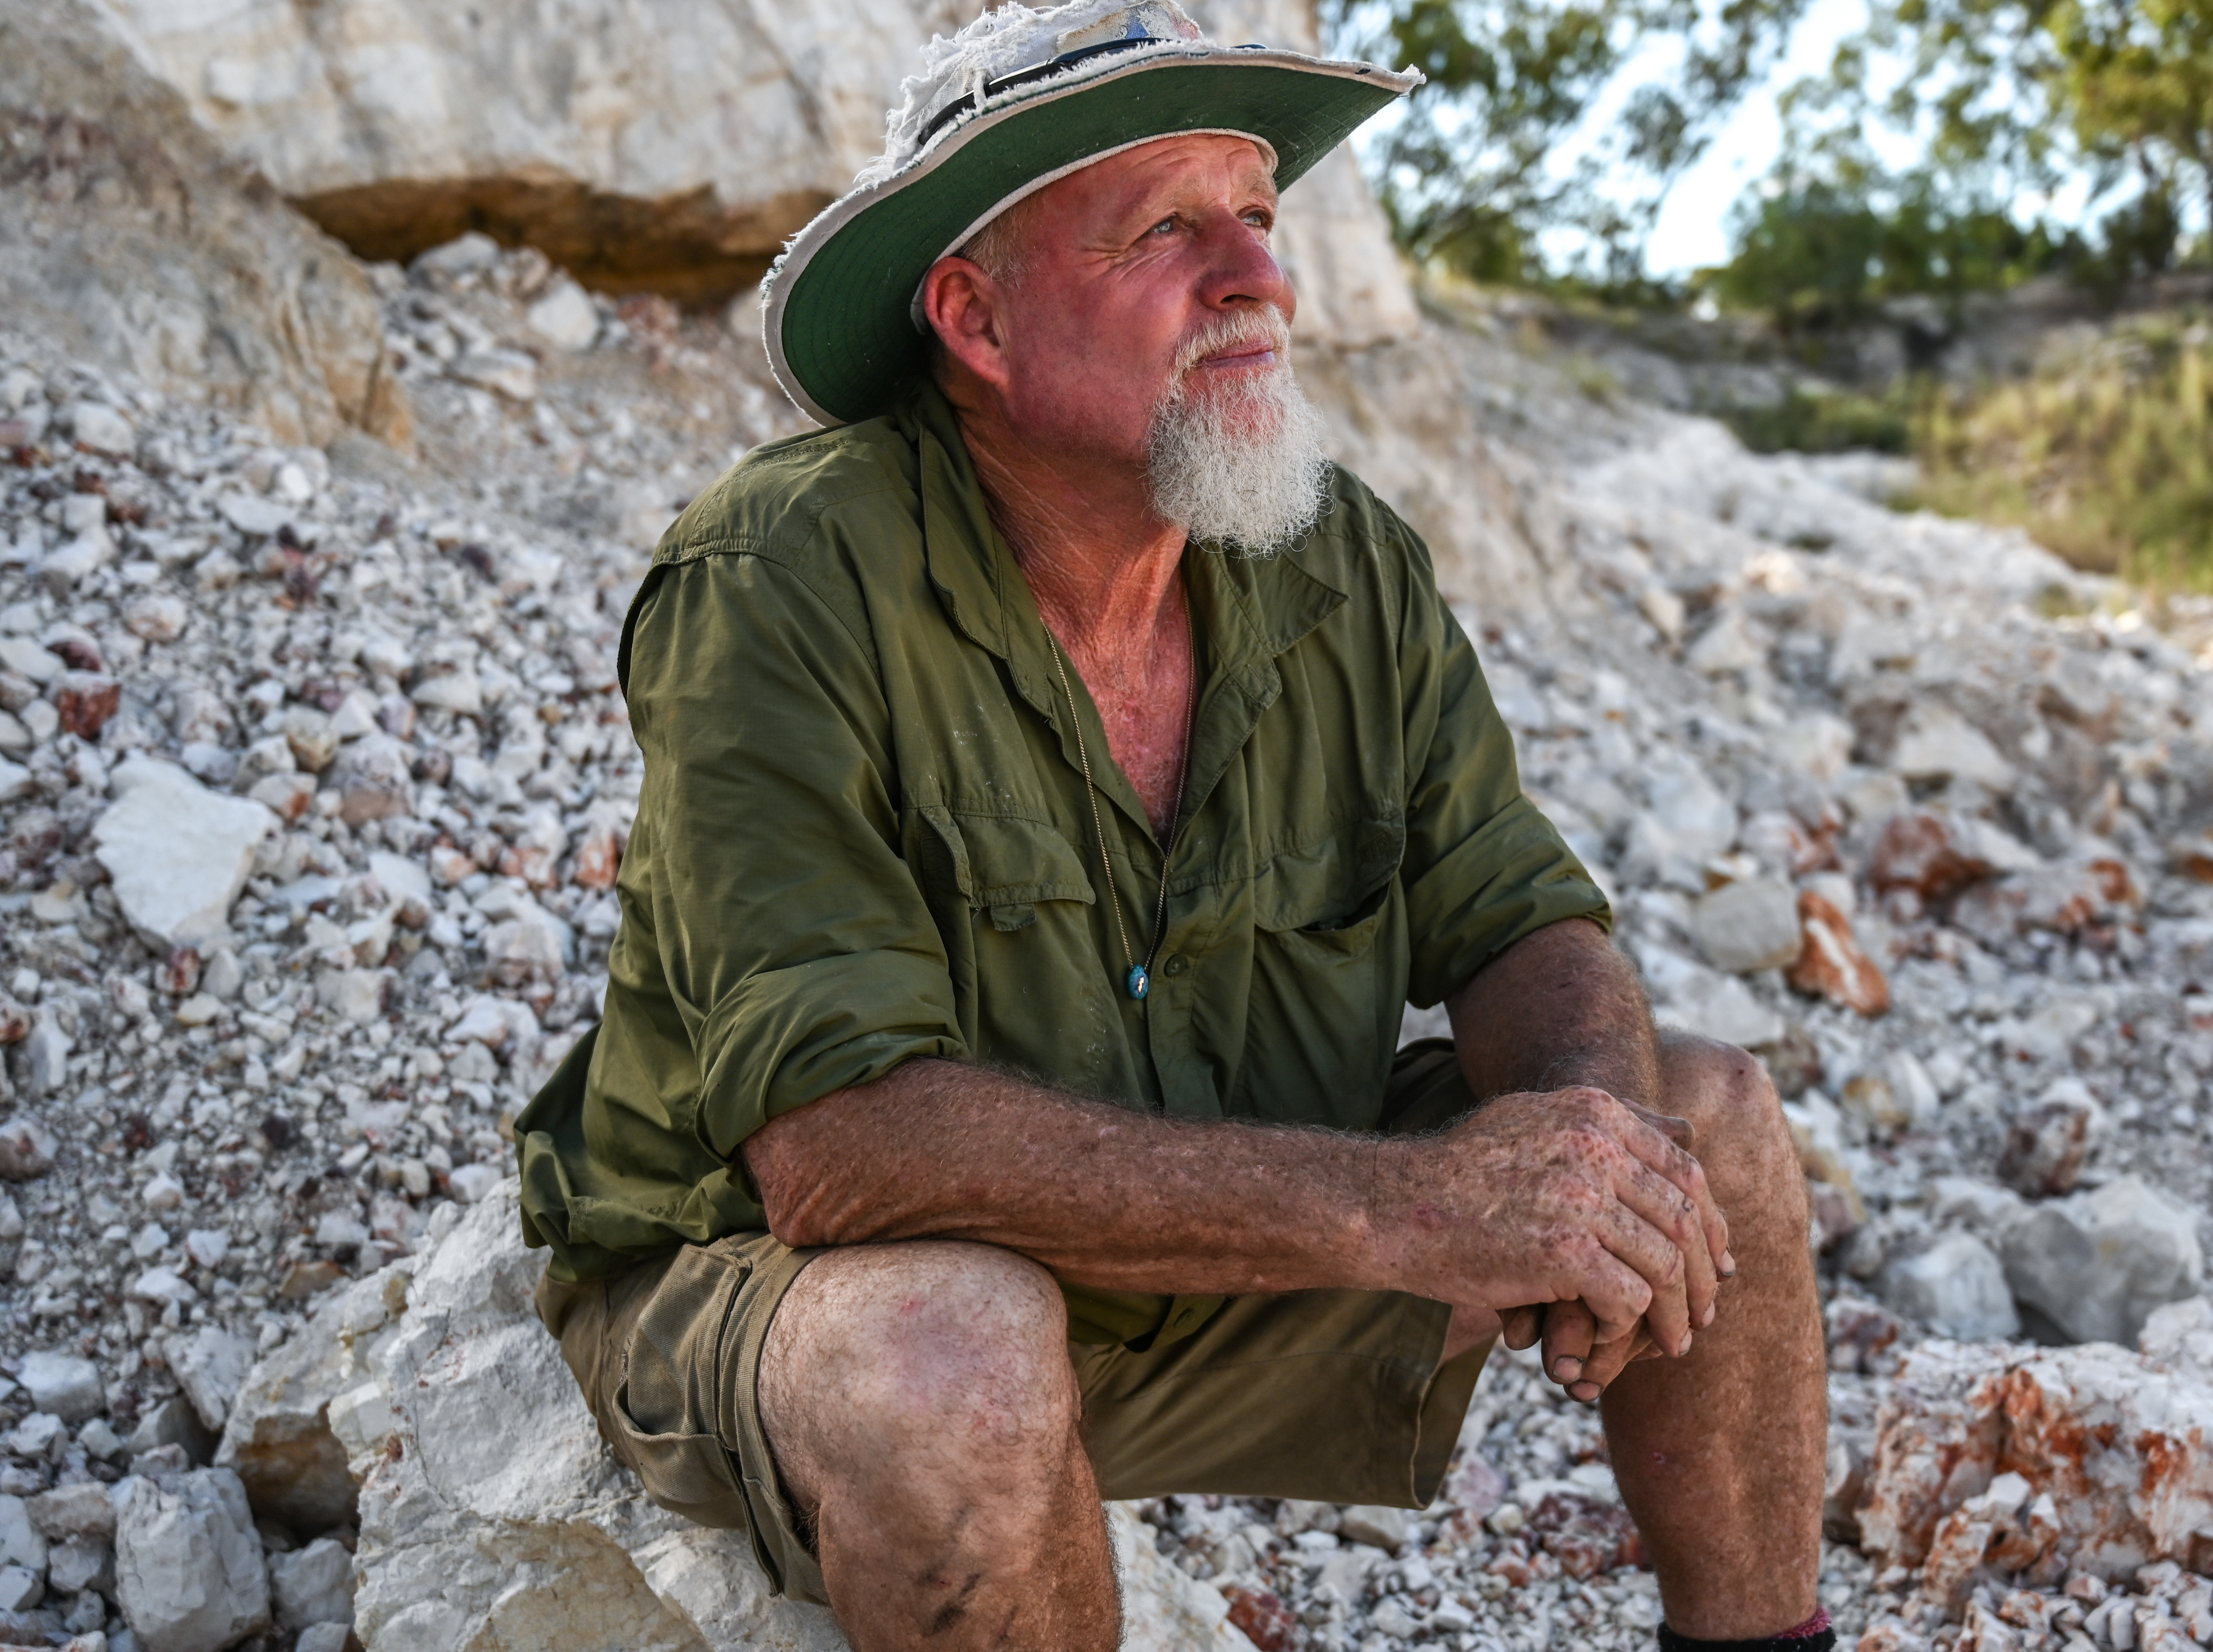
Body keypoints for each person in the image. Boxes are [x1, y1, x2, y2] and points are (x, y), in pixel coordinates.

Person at [514, 2, 1829, 1647]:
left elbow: (1515, 919)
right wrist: (1418, 1210)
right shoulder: (779, 579)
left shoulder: (1339, 560)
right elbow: (842, 1156)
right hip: (792, 1289)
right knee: (956, 1357)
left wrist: (1588, 1150)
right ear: (975, 321)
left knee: (1704, 1122)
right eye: (1169, 230)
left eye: (1262, 218)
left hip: (1215, 1252)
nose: (1259, 277)